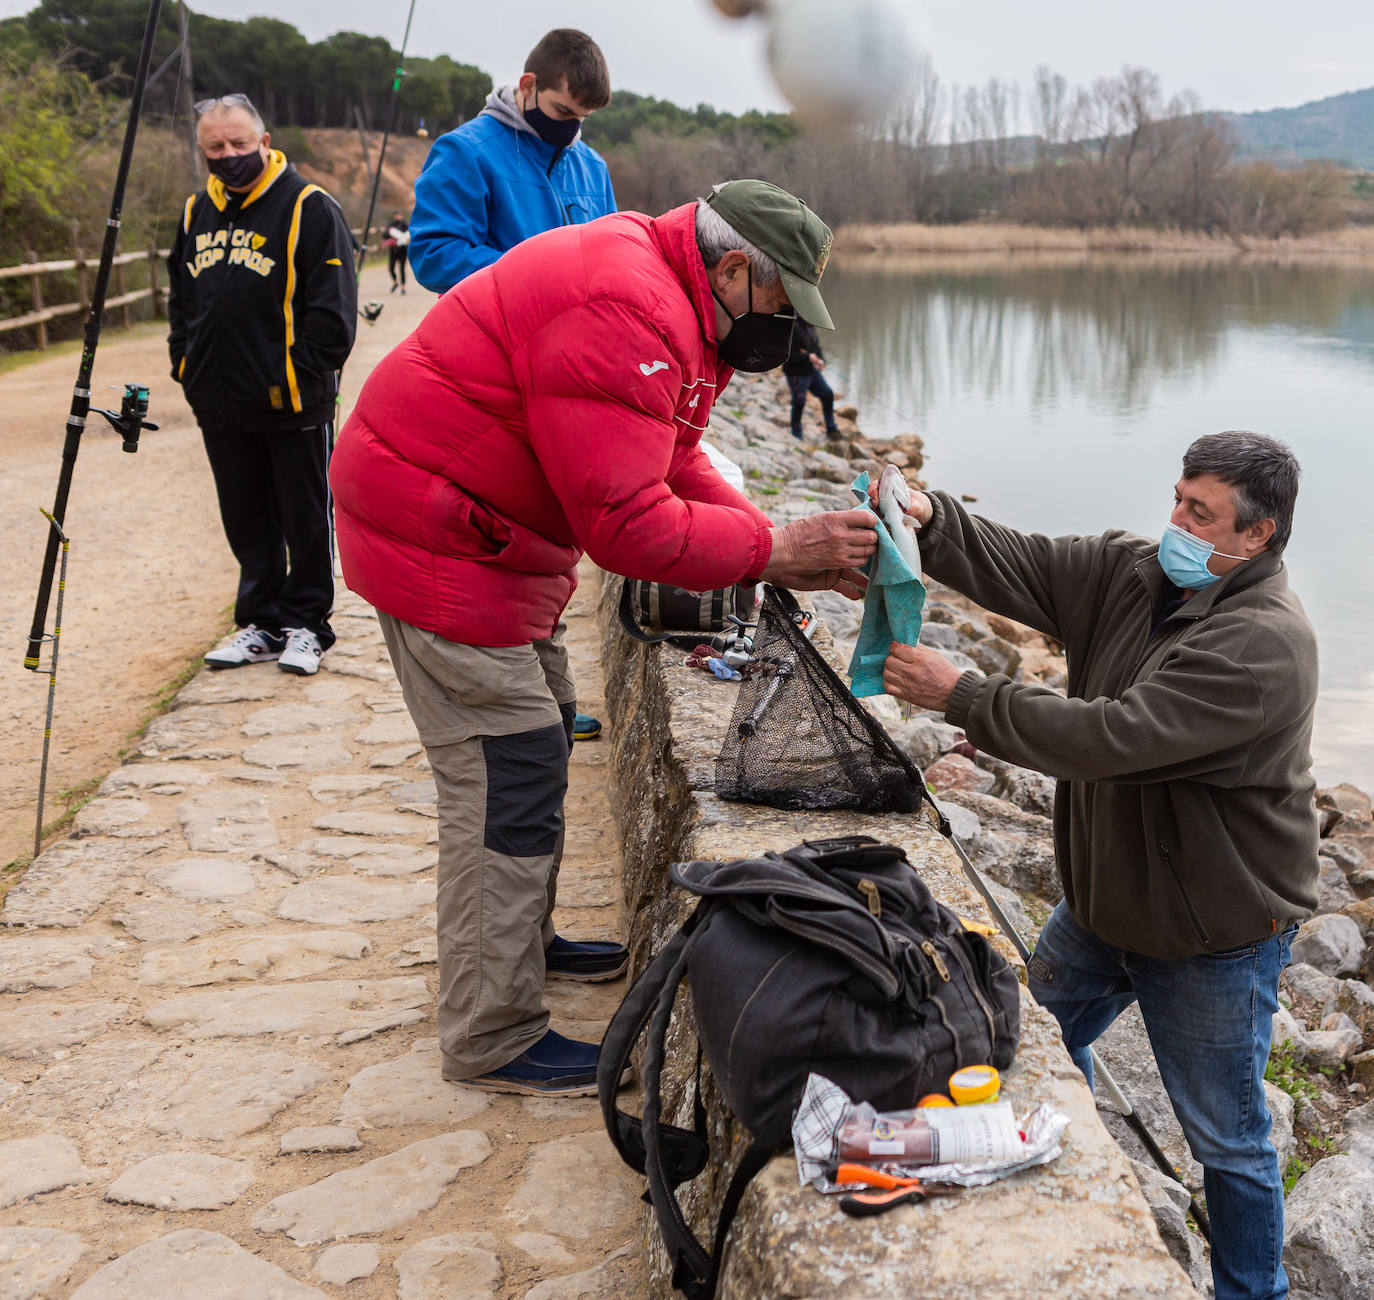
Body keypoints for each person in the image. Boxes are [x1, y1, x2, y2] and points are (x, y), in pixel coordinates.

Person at [331, 180, 877, 1097]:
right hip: (438, 531)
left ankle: (518, 945)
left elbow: (672, 454)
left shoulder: (670, 291)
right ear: (735, 267)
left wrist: (762, 550)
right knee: (504, 770)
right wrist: (775, 549)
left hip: (486, 532)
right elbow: (628, 527)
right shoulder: (628, 306)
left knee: (542, 731)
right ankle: (490, 1031)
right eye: (780, 304)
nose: (781, 329)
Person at [880, 431, 1316, 1300]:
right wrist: (934, 520)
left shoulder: (1265, 647)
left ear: (1258, 535)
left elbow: (1115, 738)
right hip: (1101, 905)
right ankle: (1062, 1172)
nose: (1178, 523)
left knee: (1228, 1140)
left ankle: (1252, 1292)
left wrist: (964, 693)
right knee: (1028, 1046)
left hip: (1209, 935)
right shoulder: (1135, 570)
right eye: (1180, 499)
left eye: (1203, 513)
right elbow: (1026, 563)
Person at [168, 93, 357, 676]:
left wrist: (299, 370)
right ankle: (261, 620)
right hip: (219, 399)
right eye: (216, 147)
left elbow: (333, 315)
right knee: (245, 515)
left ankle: (307, 623)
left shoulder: (309, 206)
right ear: (203, 150)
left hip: (292, 400)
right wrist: (186, 366)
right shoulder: (195, 210)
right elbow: (179, 298)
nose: (229, 156)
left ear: (265, 142)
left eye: (239, 145)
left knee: (303, 515)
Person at [407, 28, 617, 294]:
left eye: (583, 117)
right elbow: (434, 256)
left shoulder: (594, 167)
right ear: (528, 85)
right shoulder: (465, 150)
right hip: (496, 330)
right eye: (562, 110)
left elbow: (611, 255)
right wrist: (537, 273)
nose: (571, 127)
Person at [783, 316, 838, 439]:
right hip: (796, 374)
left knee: (828, 394)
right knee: (799, 402)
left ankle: (831, 428)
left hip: (812, 372)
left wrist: (820, 359)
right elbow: (788, 355)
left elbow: (816, 348)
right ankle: (796, 432)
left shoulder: (810, 326)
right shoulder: (793, 327)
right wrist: (807, 357)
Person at [383, 211, 410, 294]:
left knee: (402, 268)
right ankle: (395, 282)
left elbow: (409, 234)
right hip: (393, 250)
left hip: (403, 250)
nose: (398, 216)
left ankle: (403, 287)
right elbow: (385, 235)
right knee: (391, 267)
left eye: (399, 215)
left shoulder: (404, 224)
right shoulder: (390, 224)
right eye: (396, 215)